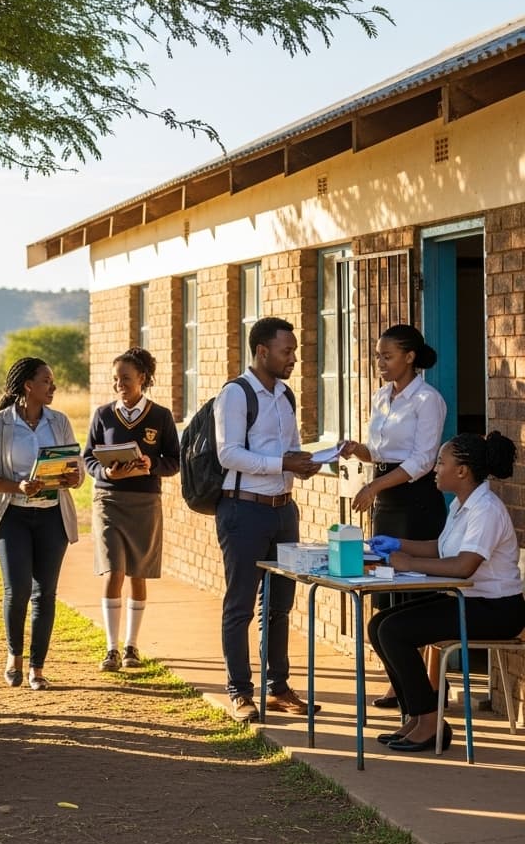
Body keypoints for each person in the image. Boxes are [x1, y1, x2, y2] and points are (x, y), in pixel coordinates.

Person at [369, 431, 525, 753]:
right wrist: (396, 544)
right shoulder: (460, 504)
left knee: (396, 632)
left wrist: (407, 561)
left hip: (496, 610)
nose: (435, 469)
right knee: (380, 625)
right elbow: (441, 549)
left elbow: (463, 566)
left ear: (462, 471)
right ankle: (417, 714)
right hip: (468, 601)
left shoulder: (486, 510)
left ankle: (430, 722)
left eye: (441, 462)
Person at [212, 317, 322, 723]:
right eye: (286, 351)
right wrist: (282, 462)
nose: (293, 357)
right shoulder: (236, 394)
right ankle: (240, 692)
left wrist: (303, 464)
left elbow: (290, 447)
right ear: (262, 351)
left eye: (293, 350)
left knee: (280, 604)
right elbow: (229, 455)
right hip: (243, 510)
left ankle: (277, 688)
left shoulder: (285, 395)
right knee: (240, 604)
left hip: (282, 510)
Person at [340, 323, 448, 707]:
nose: (380, 363)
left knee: (416, 592)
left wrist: (373, 487)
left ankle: (432, 686)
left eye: (387, 356)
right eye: (378, 355)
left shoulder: (428, 400)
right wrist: (360, 450)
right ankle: (400, 680)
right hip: (386, 496)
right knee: (385, 593)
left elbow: (421, 460)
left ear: (410, 357)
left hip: (416, 499)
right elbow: (382, 451)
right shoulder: (381, 397)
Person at [0, 357, 81, 690]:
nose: (53, 387)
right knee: (18, 588)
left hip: (52, 514)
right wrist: (19, 486)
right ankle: (14, 657)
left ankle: (37, 668)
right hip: (12, 515)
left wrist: (71, 476)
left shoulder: (60, 421)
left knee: (45, 593)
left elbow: (76, 470)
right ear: (28, 385)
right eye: (46, 381)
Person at [83, 347, 180, 672]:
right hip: (109, 501)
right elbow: (88, 458)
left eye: (125, 378)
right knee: (114, 570)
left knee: (138, 573)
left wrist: (152, 463)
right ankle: (110, 649)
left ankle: (131, 647)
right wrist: (106, 472)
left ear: (142, 378)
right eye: (115, 379)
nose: (119, 384)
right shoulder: (102, 415)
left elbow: (174, 462)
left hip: (144, 502)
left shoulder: (160, 416)